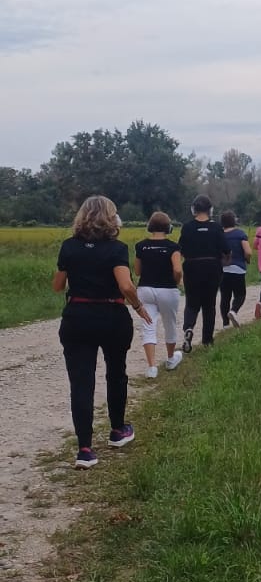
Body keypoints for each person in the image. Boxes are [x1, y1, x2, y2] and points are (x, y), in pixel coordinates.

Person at [52, 194, 151, 469]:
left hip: (77, 316)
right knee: (116, 373)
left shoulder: (69, 247)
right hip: (111, 316)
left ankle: (85, 449)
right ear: (111, 219)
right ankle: (117, 430)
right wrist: (138, 306)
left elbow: (58, 286)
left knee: (81, 382)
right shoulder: (116, 249)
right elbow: (126, 285)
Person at [177, 196, 230, 351]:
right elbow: (226, 249)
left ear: (193, 209)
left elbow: (181, 249)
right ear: (210, 210)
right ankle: (207, 340)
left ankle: (188, 327)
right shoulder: (216, 227)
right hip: (212, 267)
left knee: (192, 303)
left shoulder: (187, 227)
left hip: (192, 266)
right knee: (209, 304)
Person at [133, 212, 183, 378]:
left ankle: (152, 367)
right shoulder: (173, 247)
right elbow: (177, 270)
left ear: (150, 227)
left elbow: (137, 271)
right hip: (167, 289)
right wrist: (177, 281)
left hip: (146, 289)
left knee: (148, 325)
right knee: (170, 324)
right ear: (169, 228)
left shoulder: (141, 246)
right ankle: (170, 359)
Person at [219, 209, 251, 328]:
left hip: (223, 270)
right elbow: (248, 252)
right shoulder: (240, 234)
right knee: (240, 295)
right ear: (234, 221)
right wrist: (247, 259)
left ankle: (225, 325)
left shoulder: (219, 235)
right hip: (238, 268)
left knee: (225, 297)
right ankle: (233, 311)